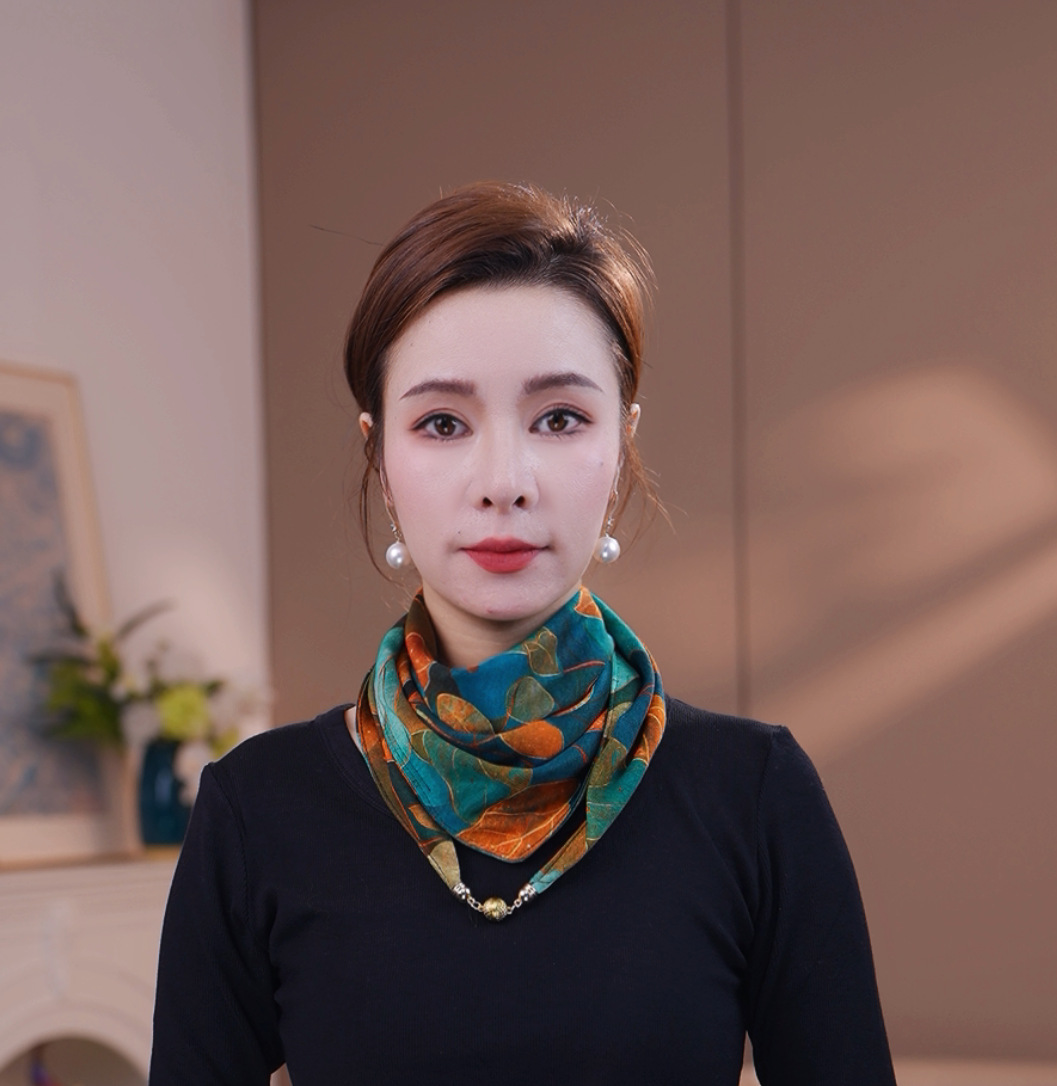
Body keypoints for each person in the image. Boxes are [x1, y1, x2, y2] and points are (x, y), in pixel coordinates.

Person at [150, 181, 896, 1085]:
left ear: (620, 444)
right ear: (379, 458)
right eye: (441, 423)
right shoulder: (258, 810)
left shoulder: (752, 794)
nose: (502, 480)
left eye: (558, 419)